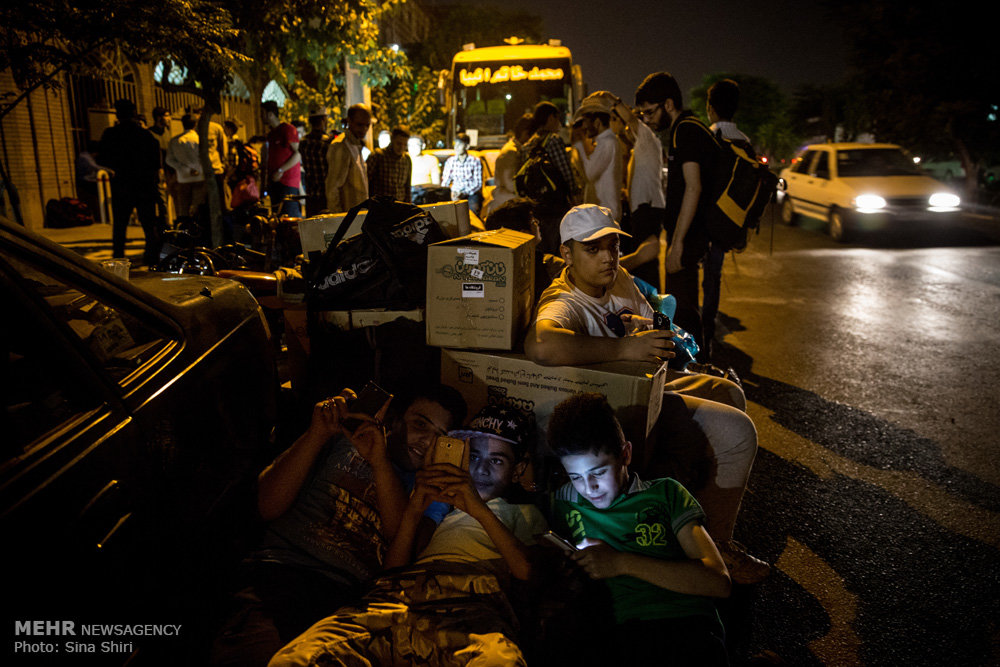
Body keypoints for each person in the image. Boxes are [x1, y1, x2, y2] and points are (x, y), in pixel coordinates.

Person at [524, 204, 768, 584]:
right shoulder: (563, 301)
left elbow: (643, 317)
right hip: (621, 407)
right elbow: (541, 345)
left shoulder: (618, 276)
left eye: (613, 246)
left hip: (655, 381)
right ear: (567, 254)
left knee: (729, 393)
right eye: (593, 249)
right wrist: (624, 349)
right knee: (738, 432)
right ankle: (716, 547)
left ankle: (695, 523)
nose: (607, 257)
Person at [209, 383, 468, 667]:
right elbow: (265, 506)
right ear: (394, 420)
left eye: (440, 437)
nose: (426, 441)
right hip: (283, 572)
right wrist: (316, 435)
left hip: (347, 600)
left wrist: (380, 463)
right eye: (420, 424)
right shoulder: (344, 440)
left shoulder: (428, 490)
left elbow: (401, 561)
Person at [267, 405, 546, 667]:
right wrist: (415, 507)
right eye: (473, 457)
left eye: (496, 460)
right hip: (400, 599)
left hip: (470, 610)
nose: (481, 469)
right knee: (302, 656)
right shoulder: (440, 507)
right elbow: (393, 571)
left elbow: (527, 572)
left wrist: (478, 509)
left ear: (517, 470)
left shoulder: (522, 512)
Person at [548, 392, 731, 666]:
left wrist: (620, 562)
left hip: (684, 624)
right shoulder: (562, 502)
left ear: (625, 454)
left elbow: (718, 581)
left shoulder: (665, 494)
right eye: (575, 477)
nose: (589, 488)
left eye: (598, 472)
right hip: (614, 633)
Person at [635, 71, 718, 349]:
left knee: (682, 310)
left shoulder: (685, 130)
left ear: (668, 104)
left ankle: (696, 369)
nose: (647, 120)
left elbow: (693, 188)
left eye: (650, 112)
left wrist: (678, 244)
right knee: (684, 306)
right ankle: (698, 364)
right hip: (689, 233)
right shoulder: (689, 128)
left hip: (688, 236)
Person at [587, 91, 666, 289]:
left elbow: (630, 118)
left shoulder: (646, 137)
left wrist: (612, 99)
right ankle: (650, 311)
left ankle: (655, 313)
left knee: (646, 265)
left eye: (616, 120)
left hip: (647, 209)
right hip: (644, 208)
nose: (618, 128)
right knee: (644, 267)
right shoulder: (638, 147)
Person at [701, 79, 751, 361]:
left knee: (699, 278)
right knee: (714, 278)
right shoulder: (745, 140)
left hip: (707, 220)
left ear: (710, 108)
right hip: (729, 223)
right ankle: (709, 332)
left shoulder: (710, 137)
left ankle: (704, 336)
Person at [99, 98, 163, 266]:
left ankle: (119, 258)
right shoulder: (145, 135)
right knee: (148, 225)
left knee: (120, 226)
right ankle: (151, 258)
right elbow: (156, 161)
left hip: (122, 185)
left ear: (118, 114)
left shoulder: (110, 135)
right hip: (144, 185)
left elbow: (102, 158)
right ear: (134, 114)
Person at [523, 101, 577, 254]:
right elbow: (566, 173)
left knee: (542, 249)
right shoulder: (553, 140)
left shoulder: (529, 143)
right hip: (556, 204)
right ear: (550, 118)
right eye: (557, 118)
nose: (559, 123)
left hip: (536, 206)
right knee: (559, 247)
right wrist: (574, 197)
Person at [485, 197, 564, 301]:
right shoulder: (551, 267)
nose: (537, 222)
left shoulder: (492, 270)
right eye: (532, 221)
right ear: (523, 234)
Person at [572, 95, 624, 221]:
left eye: (586, 121)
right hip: (604, 213)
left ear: (597, 122)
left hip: (605, 214)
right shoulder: (606, 142)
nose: (584, 126)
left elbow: (590, 174)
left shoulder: (607, 142)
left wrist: (579, 146)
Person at [325, 103, 371, 213]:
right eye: (359, 125)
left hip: (358, 217)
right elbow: (332, 189)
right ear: (349, 121)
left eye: (367, 125)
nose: (364, 129)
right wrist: (339, 220)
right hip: (347, 219)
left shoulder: (356, 144)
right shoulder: (341, 146)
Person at [261, 100, 302, 218]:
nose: (261, 117)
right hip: (274, 183)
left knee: (289, 217)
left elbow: (298, 153)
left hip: (287, 183)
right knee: (277, 219)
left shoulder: (287, 129)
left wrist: (280, 170)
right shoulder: (271, 134)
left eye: (262, 113)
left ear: (270, 114)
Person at [486, 113, 533, 216]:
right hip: (506, 205)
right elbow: (511, 184)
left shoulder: (514, 149)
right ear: (526, 134)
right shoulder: (511, 152)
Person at [165, 113, 206, 221]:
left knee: (183, 207)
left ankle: (184, 229)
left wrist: (182, 168)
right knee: (198, 205)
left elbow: (169, 159)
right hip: (199, 177)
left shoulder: (174, 141)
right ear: (195, 124)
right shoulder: (200, 139)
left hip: (183, 177)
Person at [298, 108, 332, 215]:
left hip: (311, 196)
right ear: (323, 120)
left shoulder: (303, 143)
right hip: (326, 196)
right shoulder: (328, 143)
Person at [441, 132, 483, 216]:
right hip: (455, 193)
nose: (456, 147)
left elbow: (478, 184)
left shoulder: (475, 161)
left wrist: (463, 192)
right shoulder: (450, 161)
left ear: (467, 146)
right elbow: (446, 181)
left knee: (473, 212)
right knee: (449, 213)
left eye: (459, 144)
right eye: (455, 144)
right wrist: (448, 192)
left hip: (471, 194)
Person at [366, 126, 412, 202]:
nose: (401, 148)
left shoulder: (406, 159)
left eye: (404, 145)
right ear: (392, 139)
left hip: (399, 206)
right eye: (399, 144)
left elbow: (407, 187)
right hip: (381, 206)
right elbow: (366, 182)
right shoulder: (377, 156)